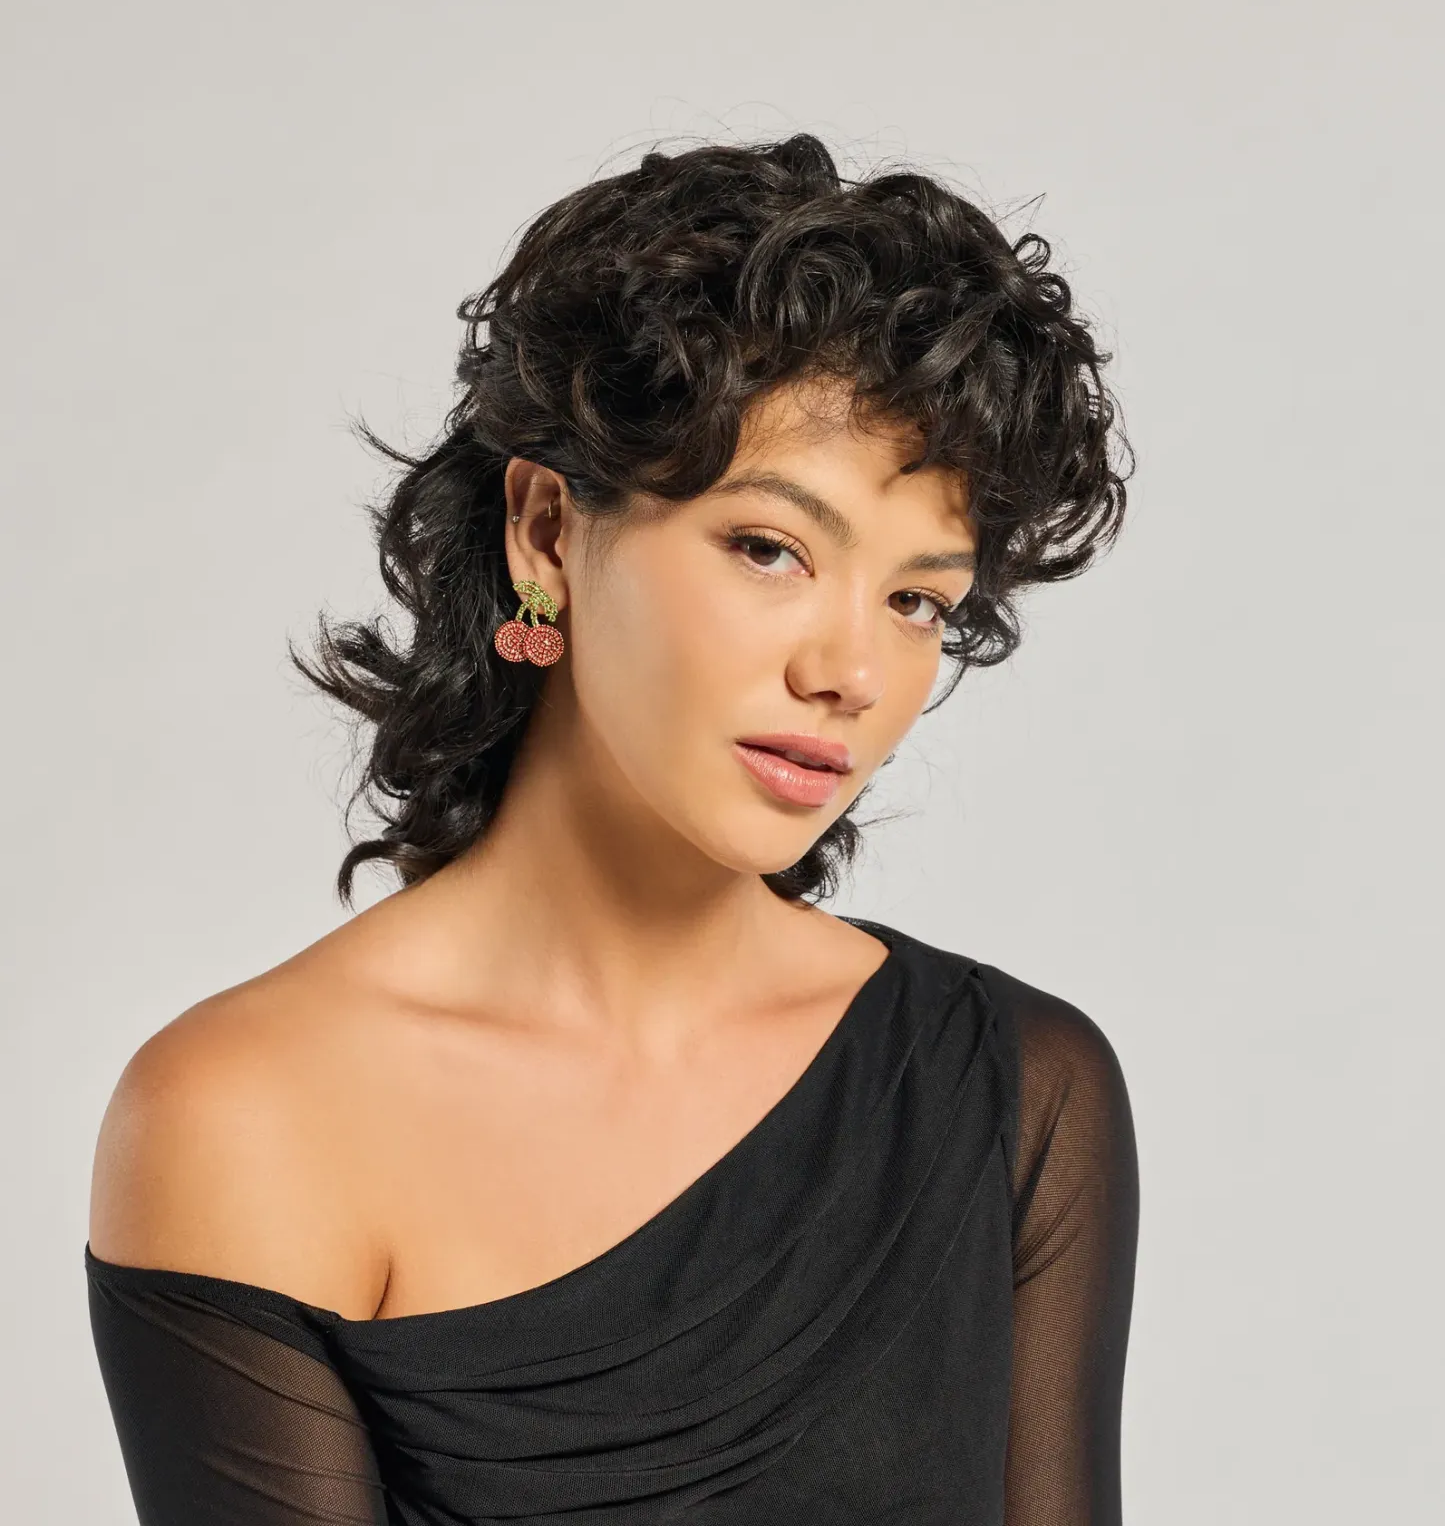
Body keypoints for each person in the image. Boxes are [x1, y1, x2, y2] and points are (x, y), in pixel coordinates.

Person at [86, 133, 1139, 1524]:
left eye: (916, 601)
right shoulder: (249, 1116)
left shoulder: (1016, 1091)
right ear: (545, 531)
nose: (851, 672)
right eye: (769, 548)